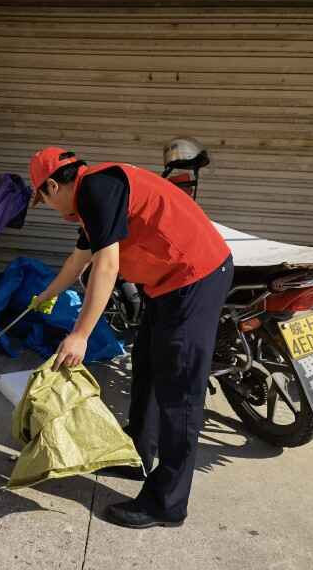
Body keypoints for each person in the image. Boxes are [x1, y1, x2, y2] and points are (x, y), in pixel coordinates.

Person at [29, 142, 233, 529]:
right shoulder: (94, 196)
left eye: (45, 200)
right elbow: (79, 260)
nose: (52, 209)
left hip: (196, 277)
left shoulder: (96, 190)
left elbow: (106, 266)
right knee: (148, 372)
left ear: (52, 186)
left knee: (179, 391)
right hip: (167, 284)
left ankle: (167, 503)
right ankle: (136, 456)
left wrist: (80, 334)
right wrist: (46, 295)